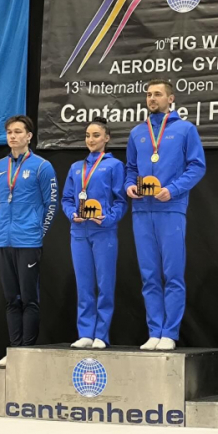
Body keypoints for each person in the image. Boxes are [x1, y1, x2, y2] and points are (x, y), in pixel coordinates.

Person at [125, 79, 206, 351]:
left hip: (170, 209)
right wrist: (129, 186)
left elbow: (196, 167)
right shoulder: (137, 132)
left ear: (171, 99)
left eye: (157, 94)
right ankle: (154, 331)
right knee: (149, 275)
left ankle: (169, 333)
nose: (151, 98)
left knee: (172, 274)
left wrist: (172, 190)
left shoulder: (185, 130)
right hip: (141, 210)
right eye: (148, 94)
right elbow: (130, 168)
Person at [0, 115, 58, 366]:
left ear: (29, 136)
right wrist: (5, 227)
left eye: (18, 131)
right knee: (11, 298)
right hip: (3, 241)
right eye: (9, 132)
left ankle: (26, 352)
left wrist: (36, 232)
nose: (12, 136)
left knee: (29, 298)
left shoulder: (42, 166)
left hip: (28, 241)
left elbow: (51, 203)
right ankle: (13, 350)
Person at [61, 117, 127, 349]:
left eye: (96, 135)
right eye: (88, 135)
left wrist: (108, 219)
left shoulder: (115, 166)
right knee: (84, 284)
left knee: (105, 284)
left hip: (103, 231)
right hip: (79, 232)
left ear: (107, 138)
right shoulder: (76, 167)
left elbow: (121, 201)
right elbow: (67, 199)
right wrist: (72, 214)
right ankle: (85, 332)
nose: (91, 139)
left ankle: (101, 334)